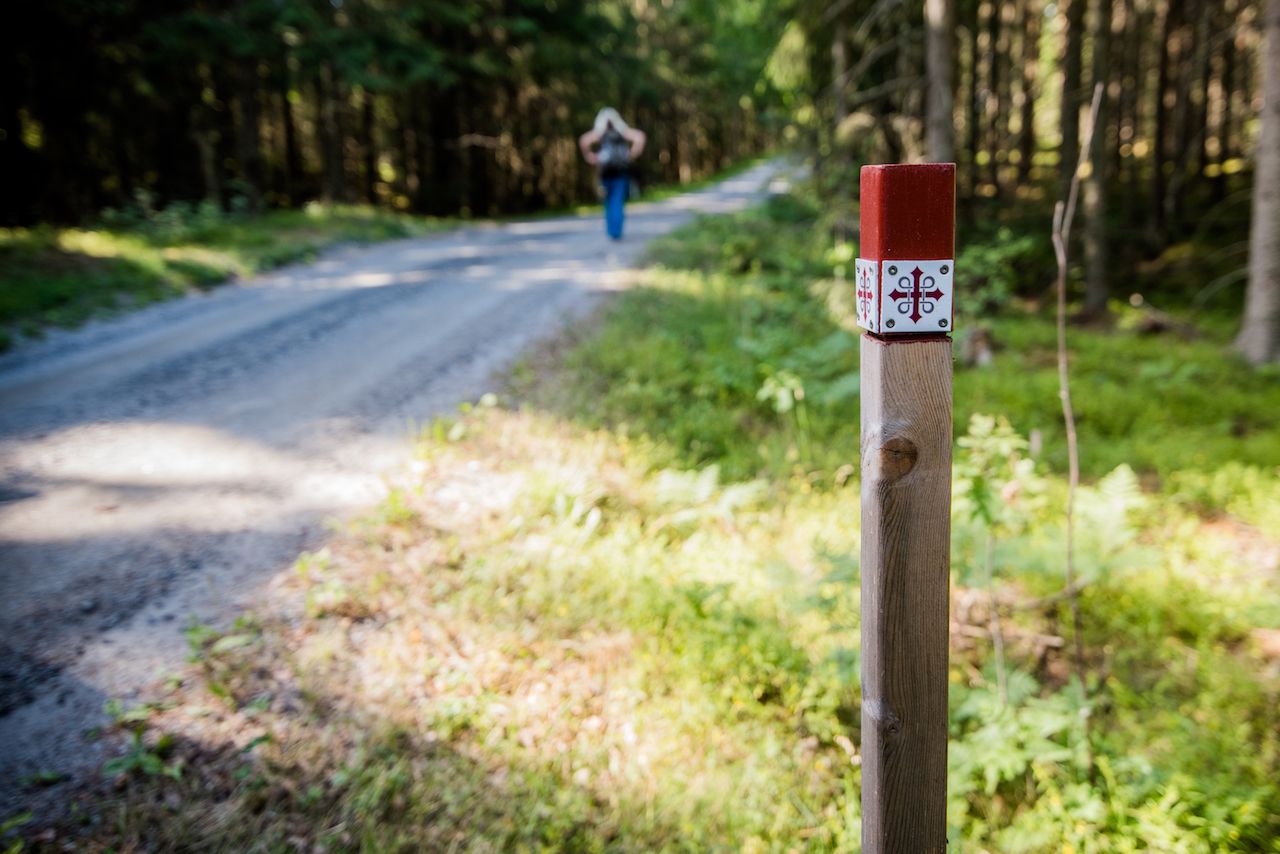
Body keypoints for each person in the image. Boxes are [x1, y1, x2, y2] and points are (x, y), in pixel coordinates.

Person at [578, 107, 646, 241]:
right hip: (621, 172)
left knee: (608, 202)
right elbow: (640, 136)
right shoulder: (621, 131)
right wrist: (632, 154)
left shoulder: (600, 132)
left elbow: (584, 140)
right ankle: (616, 232)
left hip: (605, 173)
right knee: (617, 201)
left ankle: (611, 231)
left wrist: (590, 156)